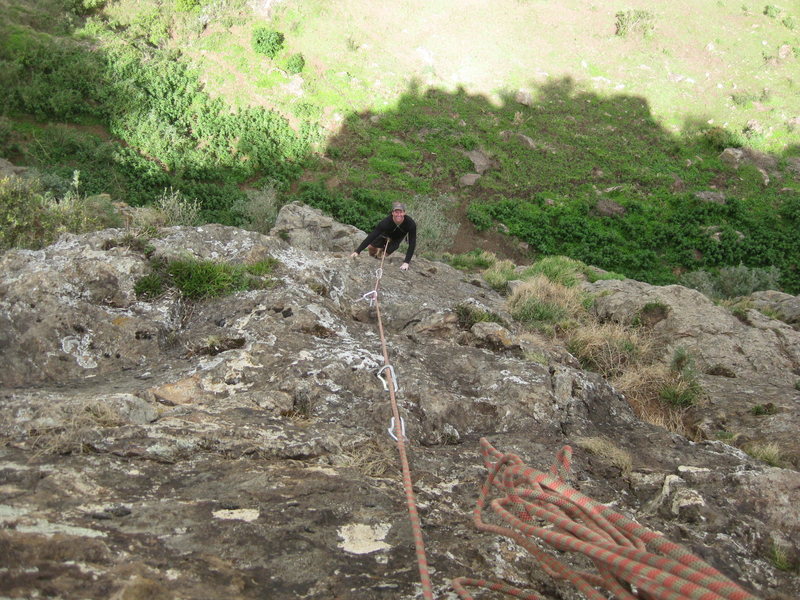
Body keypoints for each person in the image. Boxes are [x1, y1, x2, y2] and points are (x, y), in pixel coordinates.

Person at [350, 202, 417, 270]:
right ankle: (373, 257)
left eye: (401, 212)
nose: (399, 214)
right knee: (371, 248)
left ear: (404, 213)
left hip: (396, 239)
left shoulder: (410, 224)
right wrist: (357, 251)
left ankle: (381, 253)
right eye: (396, 212)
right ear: (392, 213)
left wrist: (406, 262)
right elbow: (372, 236)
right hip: (385, 235)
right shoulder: (385, 222)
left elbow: (412, 243)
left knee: (383, 255)